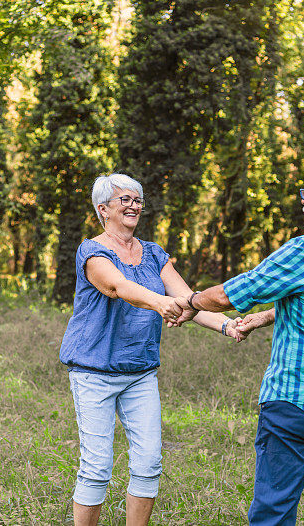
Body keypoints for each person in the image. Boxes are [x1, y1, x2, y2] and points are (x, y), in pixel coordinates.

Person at [173, 159, 304, 526]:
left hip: (297, 403)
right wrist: (270, 315)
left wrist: (191, 301)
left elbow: (230, 296)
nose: (302, 200)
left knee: (274, 511)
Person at [59, 173, 243, 526]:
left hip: (140, 373)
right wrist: (161, 303)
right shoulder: (91, 250)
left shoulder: (154, 253)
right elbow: (117, 286)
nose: (133, 206)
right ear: (103, 209)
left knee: (148, 463)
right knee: (96, 468)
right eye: (125, 199)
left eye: (137, 200)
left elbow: (186, 299)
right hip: (93, 371)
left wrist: (226, 324)